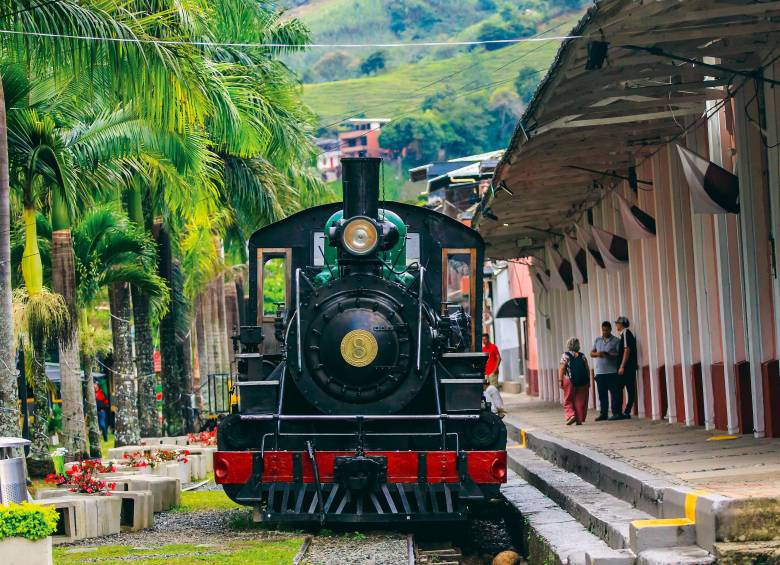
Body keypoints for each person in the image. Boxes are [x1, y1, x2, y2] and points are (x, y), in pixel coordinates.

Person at [590, 321, 622, 421]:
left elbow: (619, 355)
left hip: (612, 372)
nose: (605, 332)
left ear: (610, 329)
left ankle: (616, 413)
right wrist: (598, 354)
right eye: (603, 330)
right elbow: (591, 353)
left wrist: (609, 355)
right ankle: (603, 414)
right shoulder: (597, 340)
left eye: (607, 330)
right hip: (600, 373)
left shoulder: (616, 341)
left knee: (615, 394)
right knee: (602, 394)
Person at [559, 337, 590, 425]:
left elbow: (562, 368)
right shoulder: (582, 356)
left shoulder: (565, 355)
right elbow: (587, 368)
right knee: (580, 400)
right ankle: (579, 420)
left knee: (568, 399)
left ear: (568, 345)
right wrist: (588, 380)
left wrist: (560, 380)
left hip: (569, 380)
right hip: (583, 381)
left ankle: (571, 415)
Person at [615, 316, 638, 419]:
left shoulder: (625, 333)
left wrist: (622, 366)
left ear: (621, 324)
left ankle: (620, 412)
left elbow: (627, 350)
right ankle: (626, 412)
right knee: (629, 389)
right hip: (629, 367)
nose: (616, 325)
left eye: (617, 323)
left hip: (626, 368)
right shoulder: (625, 334)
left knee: (620, 388)